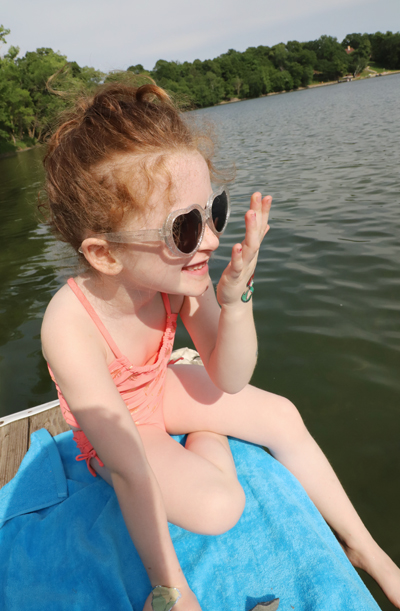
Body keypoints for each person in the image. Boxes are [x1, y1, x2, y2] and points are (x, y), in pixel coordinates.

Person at [41, 82, 400, 611]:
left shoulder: (177, 275)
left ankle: (366, 549)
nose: (210, 239)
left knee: (282, 414)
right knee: (219, 507)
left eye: (213, 212)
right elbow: (130, 469)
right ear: (105, 254)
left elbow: (231, 376)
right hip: (122, 432)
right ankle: (206, 430)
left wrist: (236, 300)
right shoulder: (69, 326)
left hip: (161, 386)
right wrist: (171, 590)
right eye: (184, 228)